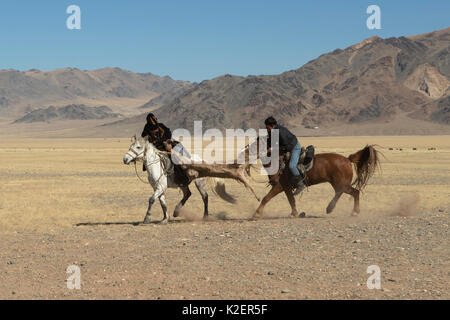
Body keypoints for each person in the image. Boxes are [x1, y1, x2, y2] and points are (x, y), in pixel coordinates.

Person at [141, 113, 190, 186]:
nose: (156, 130)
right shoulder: (146, 129)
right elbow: (145, 138)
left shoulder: (161, 126)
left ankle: (183, 174)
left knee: (176, 152)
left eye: (156, 128)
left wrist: (166, 142)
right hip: (156, 147)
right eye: (154, 129)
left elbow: (168, 133)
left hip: (165, 144)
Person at [264, 116, 305, 195]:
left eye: (267, 127)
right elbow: (270, 140)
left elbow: (288, 146)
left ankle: (300, 184)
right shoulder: (272, 131)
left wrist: (273, 149)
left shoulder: (281, 132)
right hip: (284, 148)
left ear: (271, 125)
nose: (266, 129)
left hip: (294, 147)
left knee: (292, 166)